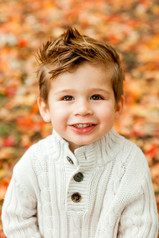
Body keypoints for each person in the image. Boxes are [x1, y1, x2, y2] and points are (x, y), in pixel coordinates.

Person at [2, 27, 158, 238]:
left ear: (118, 106)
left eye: (96, 97)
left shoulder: (129, 162)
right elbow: (17, 218)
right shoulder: (36, 161)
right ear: (45, 108)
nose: (83, 109)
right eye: (67, 98)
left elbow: (140, 228)